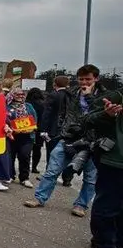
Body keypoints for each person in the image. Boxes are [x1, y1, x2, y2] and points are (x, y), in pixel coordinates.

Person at [23, 64, 103, 217]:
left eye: (88, 79)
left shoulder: (104, 95)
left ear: (96, 79)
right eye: (81, 79)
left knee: (90, 178)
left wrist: (88, 97)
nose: (84, 82)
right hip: (69, 138)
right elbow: (61, 112)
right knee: (52, 170)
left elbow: (101, 113)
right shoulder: (70, 93)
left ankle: (81, 205)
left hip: (93, 141)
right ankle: (39, 198)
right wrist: (62, 129)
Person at [82, 89, 123, 248]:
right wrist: (107, 115)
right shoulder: (115, 97)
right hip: (114, 160)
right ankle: (102, 243)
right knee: (109, 203)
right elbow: (86, 120)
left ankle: (117, 240)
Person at [6, 87, 38, 188]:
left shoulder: (28, 106)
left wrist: (33, 128)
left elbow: (34, 119)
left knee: (25, 156)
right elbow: (5, 120)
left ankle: (24, 178)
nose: (20, 96)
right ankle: (10, 175)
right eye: (17, 94)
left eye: (22, 94)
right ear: (12, 95)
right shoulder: (7, 106)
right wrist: (11, 128)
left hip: (27, 137)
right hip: (13, 136)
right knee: (10, 157)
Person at [40, 75, 71, 173]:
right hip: (68, 129)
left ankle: (49, 173)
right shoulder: (72, 95)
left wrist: (43, 129)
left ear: (55, 83)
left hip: (53, 129)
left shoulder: (53, 95)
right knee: (67, 152)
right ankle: (67, 178)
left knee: (52, 153)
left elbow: (47, 114)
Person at [26, 88, 45, 173]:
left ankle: (26, 166)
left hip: (28, 128)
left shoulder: (27, 104)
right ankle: (34, 167)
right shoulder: (43, 104)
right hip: (40, 129)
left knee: (27, 149)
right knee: (37, 149)